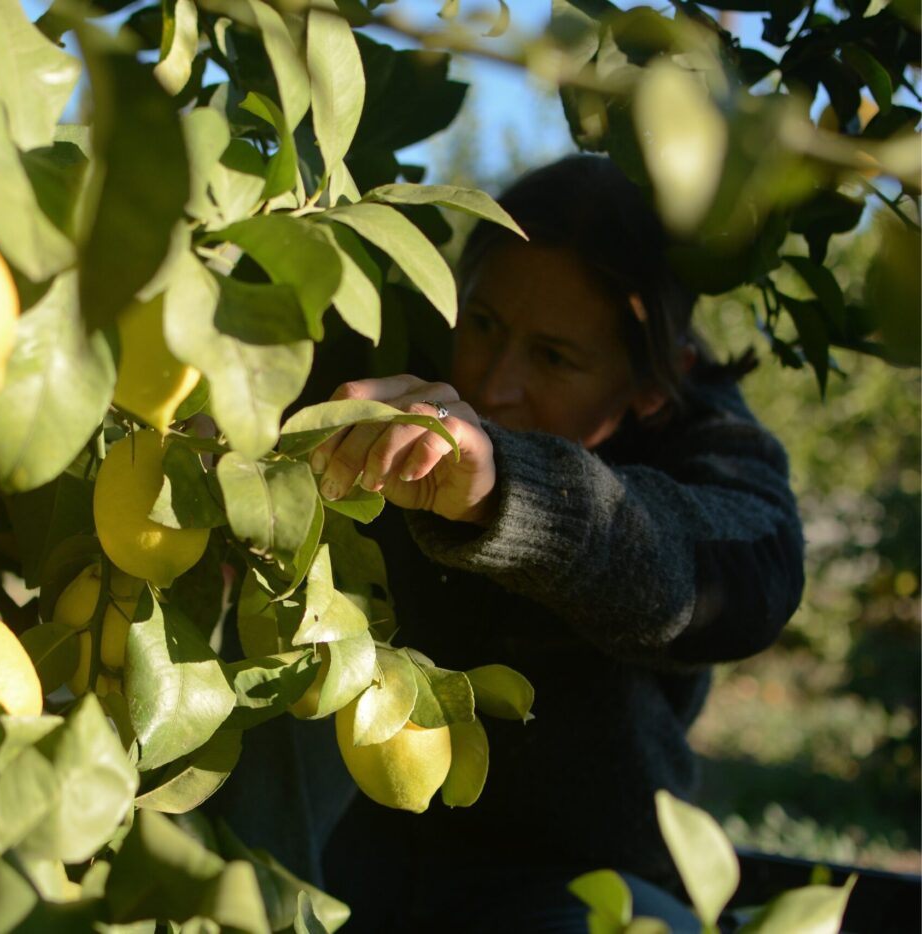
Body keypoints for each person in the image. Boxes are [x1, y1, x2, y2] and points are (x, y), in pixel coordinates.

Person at [211, 154, 805, 933]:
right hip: (355, 854)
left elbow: (746, 579)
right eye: (483, 324)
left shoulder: (709, 443)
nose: (495, 384)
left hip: (576, 880)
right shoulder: (398, 369)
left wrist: (512, 491)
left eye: (554, 357)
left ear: (655, 383)